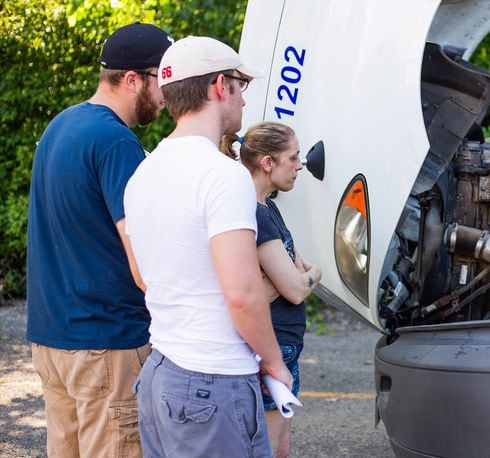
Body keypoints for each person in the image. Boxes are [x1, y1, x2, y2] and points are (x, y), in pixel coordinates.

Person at [123, 36, 293, 457]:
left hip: (162, 372)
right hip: (213, 380)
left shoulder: (143, 172)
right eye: (241, 85)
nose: (244, 100)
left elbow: (143, 277)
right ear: (221, 85)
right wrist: (274, 363)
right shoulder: (223, 175)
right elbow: (241, 292)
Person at [26, 22, 172, 457]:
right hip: (108, 343)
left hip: (53, 339)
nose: (167, 95)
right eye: (161, 79)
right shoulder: (116, 143)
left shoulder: (60, 126)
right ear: (132, 79)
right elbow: (142, 258)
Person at [221, 122, 322, 457]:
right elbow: (295, 286)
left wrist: (292, 276)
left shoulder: (269, 207)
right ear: (267, 163)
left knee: (281, 445)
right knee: (269, 448)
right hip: (275, 344)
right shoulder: (256, 213)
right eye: (292, 158)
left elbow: (293, 270)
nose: (300, 165)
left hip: (285, 343)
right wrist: (314, 274)